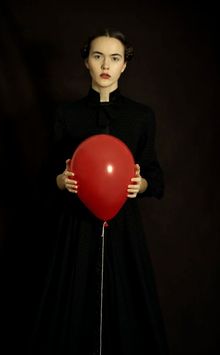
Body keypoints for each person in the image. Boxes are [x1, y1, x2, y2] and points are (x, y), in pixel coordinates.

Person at [29, 28, 169, 355]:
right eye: (98, 56)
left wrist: (142, 183)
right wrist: (60, 181)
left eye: (115, 58)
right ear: (86, 63)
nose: (106, 64)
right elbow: (45, 176)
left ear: (124, 66)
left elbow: (155, 176)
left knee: (127, 308)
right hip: (74, 229)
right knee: (71, 305)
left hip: (123, 229)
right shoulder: (66, 114)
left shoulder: (142, 117)